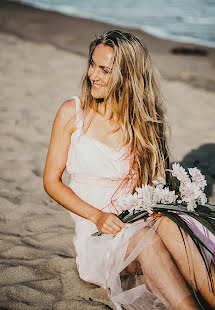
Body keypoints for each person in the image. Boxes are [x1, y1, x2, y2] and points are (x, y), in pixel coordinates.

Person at [43, 30, 215, 310]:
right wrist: (97, 217)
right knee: (144, 241)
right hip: (99, 236)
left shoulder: (144, 125)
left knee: (173, 225)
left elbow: (151, 184)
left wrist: (161, 204)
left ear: (127, 76)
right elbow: (51, 181)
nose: (93, 76)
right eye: (92, 65)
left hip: (136, 218)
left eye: (105, 70)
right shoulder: (72, 113)